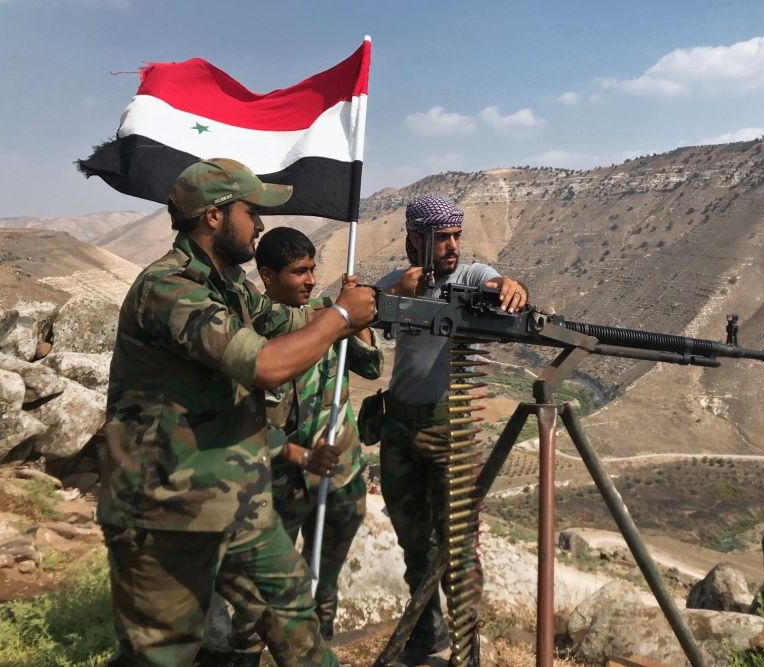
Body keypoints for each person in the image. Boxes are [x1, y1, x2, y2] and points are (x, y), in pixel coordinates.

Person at [98, 157, 376, 667]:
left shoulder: (231, 287)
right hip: (165, 510)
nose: (260, 224)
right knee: (161, 654)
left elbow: (286, 320)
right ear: (214, 216)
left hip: (237, 502)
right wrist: (340, 317)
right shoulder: (169, 288)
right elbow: (265, 365)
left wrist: (371, 304)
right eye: (251, 212)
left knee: (297, 624)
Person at [376, 194, 528, 665]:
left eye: (457, 236)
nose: (453, 246)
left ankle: (466, 649)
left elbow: (499, 284)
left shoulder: (471, 276)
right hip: (399, 427)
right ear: (416, 239)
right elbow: (362, 311)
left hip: (451, 430)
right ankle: (426, 635)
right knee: (413, 543)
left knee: (459, 550)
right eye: (443, 238)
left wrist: (511, 287)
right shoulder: (400, 282)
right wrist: (398, 290)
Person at [223, 226, 382, 662]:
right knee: (260, 594)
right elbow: (236, 418)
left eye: (313, 269)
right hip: (276, 485)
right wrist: (296, 454)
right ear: (267, 275)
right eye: (299, 272)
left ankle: (319, 650)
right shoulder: (248, 335)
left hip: (339, 479)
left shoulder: (328, 317)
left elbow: (371, 366)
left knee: (323, 586)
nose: (311, 280)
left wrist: (355, 318)